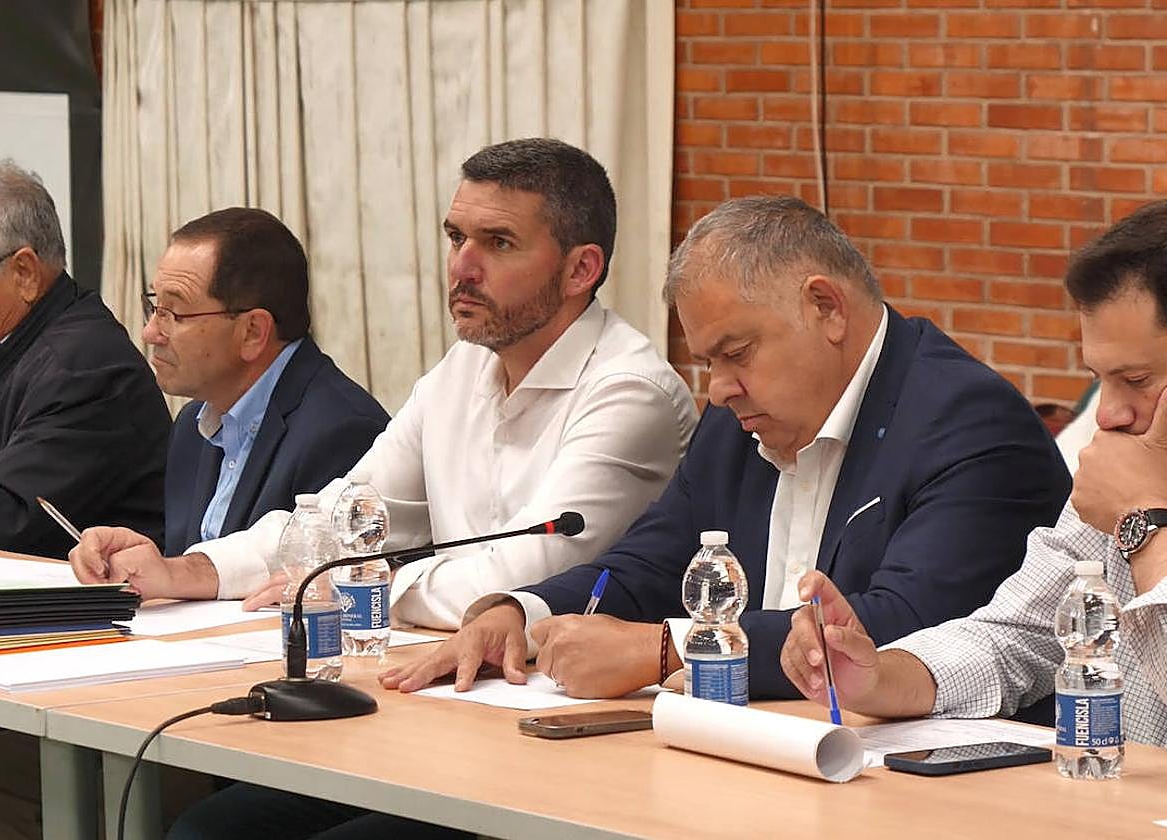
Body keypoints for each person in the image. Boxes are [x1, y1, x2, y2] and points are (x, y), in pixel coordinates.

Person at [382, 195, 1071, 703]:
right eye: (709, 361)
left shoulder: (966, 421)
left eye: (735, 353)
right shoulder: (739, 416)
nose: (720, 389)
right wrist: (519, 612)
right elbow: (648, 563)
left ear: (826, 308)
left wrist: (668, 649)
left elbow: (896, 627)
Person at [69, 137, 698, 632]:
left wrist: (348, 587)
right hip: (448, 685)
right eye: (456, 238)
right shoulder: (462, 370)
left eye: (498, 243)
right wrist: (182, 571)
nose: (463, 267)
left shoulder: (629, 390)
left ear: (580, 269)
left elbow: (534, 572)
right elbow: (343, 515)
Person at [779, 200, 1167, 745]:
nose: (1107, 414)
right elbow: (1013, 637)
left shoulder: (1133, 491)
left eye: (1136, 379)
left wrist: (1143, 525)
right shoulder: (1132, 463)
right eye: (1100, 379)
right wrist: (877, 678)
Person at [151, 208, 389, 555]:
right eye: (154, 307)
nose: (151, 332)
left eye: (174, 313)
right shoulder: (192, 428)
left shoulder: (342, 432)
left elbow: (321, 586)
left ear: (253, 331)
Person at [0, 159, 169, 556]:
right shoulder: (10, 347)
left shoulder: (85, 365)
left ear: (24, 272)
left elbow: (6, 518)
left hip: (112, 612)